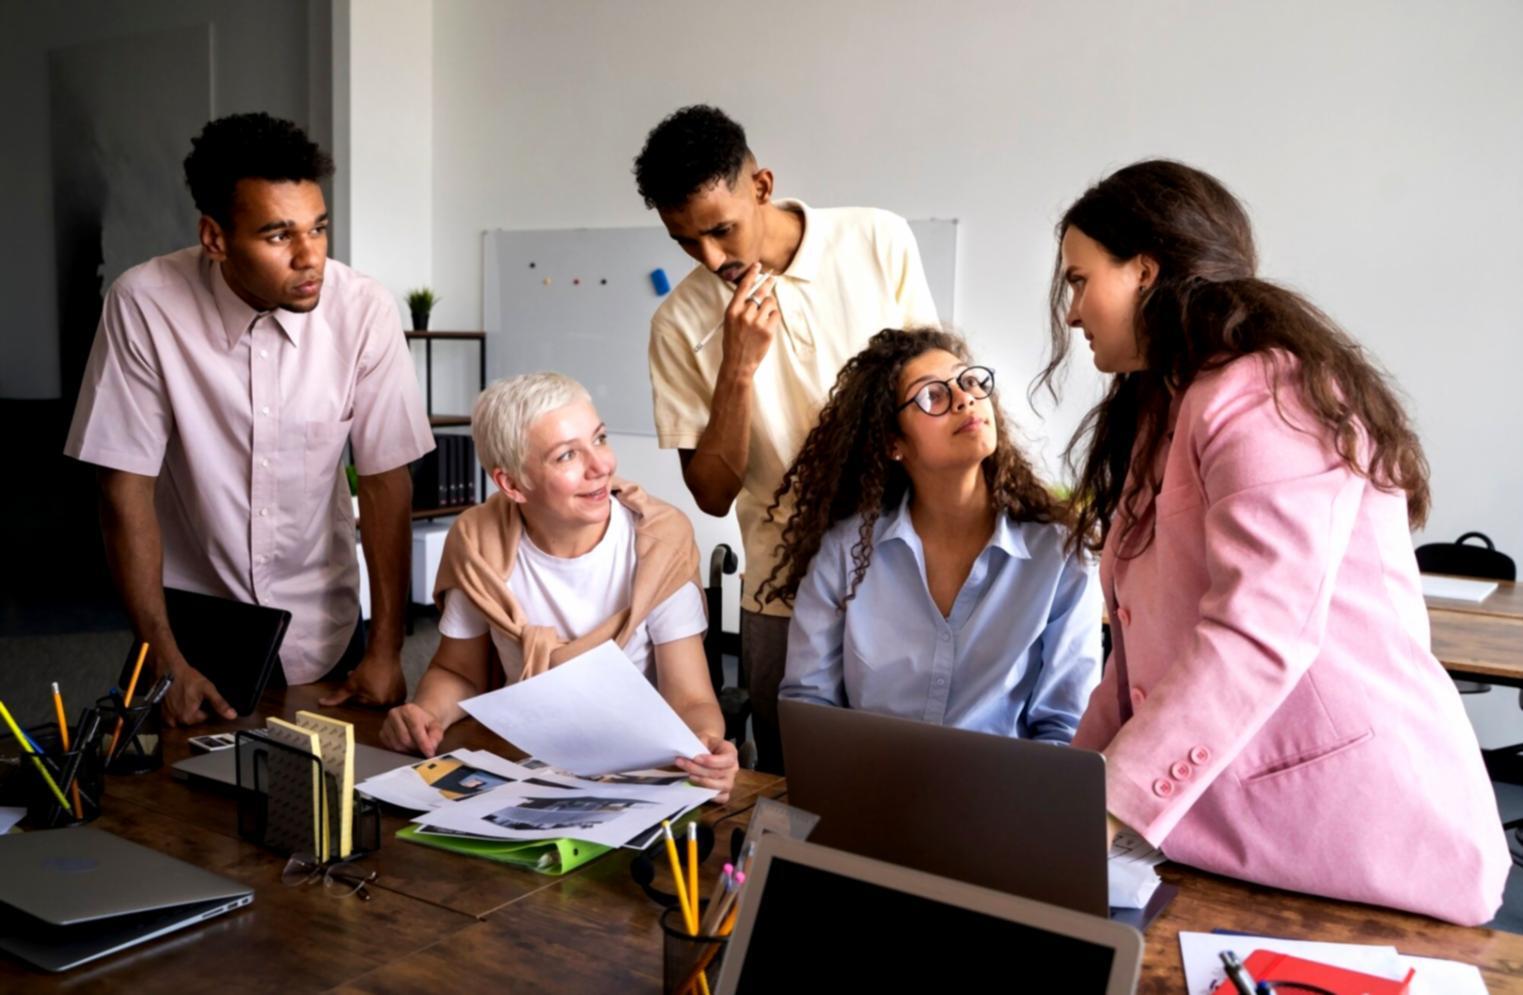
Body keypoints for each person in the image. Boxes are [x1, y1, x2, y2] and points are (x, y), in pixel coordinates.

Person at [1044, 158, 1507, 925]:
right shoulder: (1172, 402)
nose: (1070, 311)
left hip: (1361, 835)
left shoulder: (1264, 390)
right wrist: (1058, 797)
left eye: (1077, 279)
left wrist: (1101, 810)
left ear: (1144, 270)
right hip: (1242, 837)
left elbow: (1256, 633)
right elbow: (1140, 661)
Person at [65, 112, 432, 725]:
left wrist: (389, 646)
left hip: (329, 629)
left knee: (334, 808)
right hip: (192, 635)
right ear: (214, 238)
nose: (309, 255)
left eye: (318, 227)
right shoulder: (144, 304)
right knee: (172, 812)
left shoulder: (363, 309)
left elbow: (386, 481)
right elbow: (123, 487)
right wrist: (164, 658)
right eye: (278, 235)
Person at [638, 104, 940, 771]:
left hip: (904, 565)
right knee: (788, 779)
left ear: (762, 186)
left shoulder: (875, 239)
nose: (710, 257)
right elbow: (712, 494)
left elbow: (930, 397)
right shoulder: (677, 323)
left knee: (910, 773)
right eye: (685, 241)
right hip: (779, 590)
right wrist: (737, 369)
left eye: (720, 230)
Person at [380, 373, 738, 801]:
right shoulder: (478, 545)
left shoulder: (658, 544)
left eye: (599, 438)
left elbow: (691, 698)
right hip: (522, 764)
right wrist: (425, 713)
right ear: (511, 484)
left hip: (637, 769)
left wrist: (706, 745)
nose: (601, 465)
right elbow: (459, 672)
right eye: (567, 455)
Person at [767, 328, 1099, 740]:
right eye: (933, 396)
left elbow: (1065, 726)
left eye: (970, 381)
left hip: (1002, 797)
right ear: (893, 442)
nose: (965, 398)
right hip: (871, 790)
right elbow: (808, 702)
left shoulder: (1061, 554)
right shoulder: (844, 552)